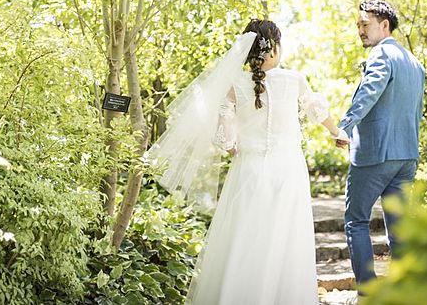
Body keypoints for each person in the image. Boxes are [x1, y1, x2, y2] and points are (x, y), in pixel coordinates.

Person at [148, 19, 345, 305]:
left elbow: (229, 142)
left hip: (249, 171)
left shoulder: (235, 84)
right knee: (285, 242)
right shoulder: (295, 80)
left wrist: (237, 147)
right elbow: (318, 112)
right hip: (288, 171)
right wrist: (338, 133)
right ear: (274, 48)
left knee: (245, 240)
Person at [335, 0, 425, 292]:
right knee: (399, 229)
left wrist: (344, 126)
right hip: (406, 155)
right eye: (358, 25)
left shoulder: (380, 55)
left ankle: (368, 293)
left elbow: (369, 93)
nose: (360, 30)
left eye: (365, 24)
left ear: (384, 25)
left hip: (375, 153)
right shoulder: (415, 62)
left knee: (356, 221)